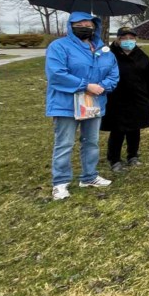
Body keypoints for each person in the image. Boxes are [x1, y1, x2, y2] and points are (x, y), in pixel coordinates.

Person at [44, 11, 119, 200]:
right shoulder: (59, 47)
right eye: (80, 24)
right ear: (71, 25)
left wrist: (103, 86)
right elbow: (56, 74)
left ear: (95, 27)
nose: (85, 27)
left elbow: (113, 73)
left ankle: (89, 176)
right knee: (64, 143)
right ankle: (60, 182)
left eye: (89, 25)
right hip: (66, 104)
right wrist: (86, 85)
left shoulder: (103, 50)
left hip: (93, 104)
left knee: (91, 142)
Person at [101, 26, 149, 173]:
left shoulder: (142, 56)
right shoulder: (108, 55)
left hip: (138, 98)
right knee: (118, 130)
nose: (128, 41)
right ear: (118, 40)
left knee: (135, 129)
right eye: (124, 38)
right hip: (116, 99)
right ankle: (114, 159)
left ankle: (132, 155)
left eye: (131, 38)